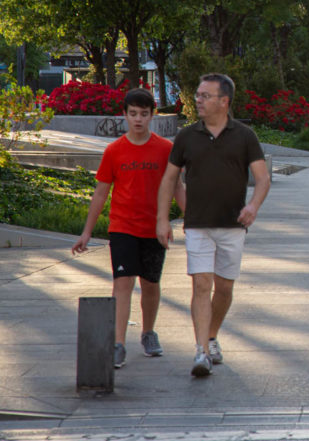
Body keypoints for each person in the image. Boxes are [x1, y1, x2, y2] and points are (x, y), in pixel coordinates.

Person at [156, 73, 270, 377]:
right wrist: (163, 219)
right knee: (201, 284)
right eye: (199, 95)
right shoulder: (186, 136)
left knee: (224, 289)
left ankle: (211, 335)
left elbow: (262, 178)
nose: (199, 100)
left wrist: (253, 206)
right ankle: (201, 352)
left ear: (224, 101)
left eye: (206, 95)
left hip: (233, 224)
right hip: (197, 224)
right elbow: (170, 178)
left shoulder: (245, 136)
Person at [72, 88, 185, 370]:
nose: (138, 120)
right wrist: (87, 232)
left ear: (152, 116)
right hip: (122, 227)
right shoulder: (114, 151)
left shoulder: (165, 149)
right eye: (132, 114)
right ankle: (118, 343)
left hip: (155, 227)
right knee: (122, 283)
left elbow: (176, 187)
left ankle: (148, 332)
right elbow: (100, 194)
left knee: (150, 283)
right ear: (124, 115)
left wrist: (192, 222)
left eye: (144, 114)